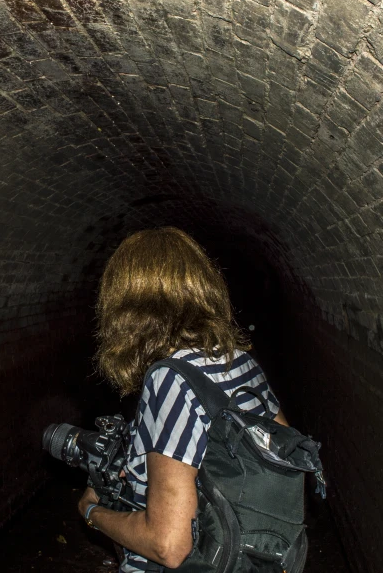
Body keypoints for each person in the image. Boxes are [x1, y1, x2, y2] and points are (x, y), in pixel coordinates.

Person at [78, 227, 288, 572]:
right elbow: (282, 458)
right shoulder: (240, 359)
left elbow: (169, 546)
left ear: (127, 307)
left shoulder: (169, 378)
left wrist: (92, 512)